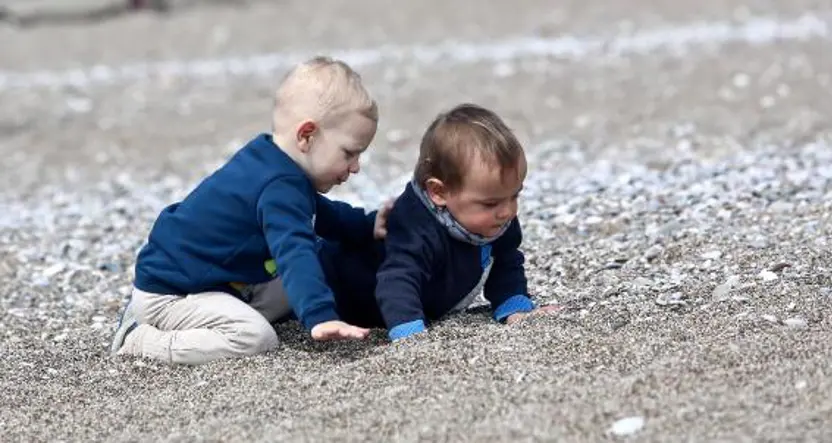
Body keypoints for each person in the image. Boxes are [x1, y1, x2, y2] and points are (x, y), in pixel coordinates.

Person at [109, 56, 388, 364]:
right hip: (172, 295)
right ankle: (140, 338)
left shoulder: (273, 159)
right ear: (306, 135)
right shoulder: (280, 186)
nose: (356, 167)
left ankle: (226, 312)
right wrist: (320, 316)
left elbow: (318, 213)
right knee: (257, 337)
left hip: (216, 284)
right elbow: (294, 250)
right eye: (349, 153)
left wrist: (367, 224)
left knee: (314, 266)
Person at [319, 103, 558, 342]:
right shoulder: (415, 227)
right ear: (438, 192)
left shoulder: (497, 216)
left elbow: (506, 260)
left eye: (515, 195)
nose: (507, 211)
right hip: (340, 288)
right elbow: (398, 280)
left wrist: (514, 307)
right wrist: (410, 334)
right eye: (490, 203)